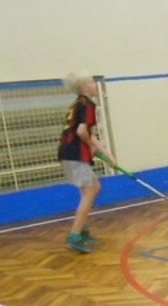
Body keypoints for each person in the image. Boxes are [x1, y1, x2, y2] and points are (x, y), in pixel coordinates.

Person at [58, 71, 116, 253]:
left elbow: (88, 135)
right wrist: (90, 146)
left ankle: (81, 228)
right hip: (75, 154)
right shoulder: (88, 104)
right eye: (91, 82)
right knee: (89, 191)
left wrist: (109, 156)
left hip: (68, 152)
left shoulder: (77, 104)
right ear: (84, 87)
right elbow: (82, 132)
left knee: (93, 187)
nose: (95, 84)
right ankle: (74, 236)